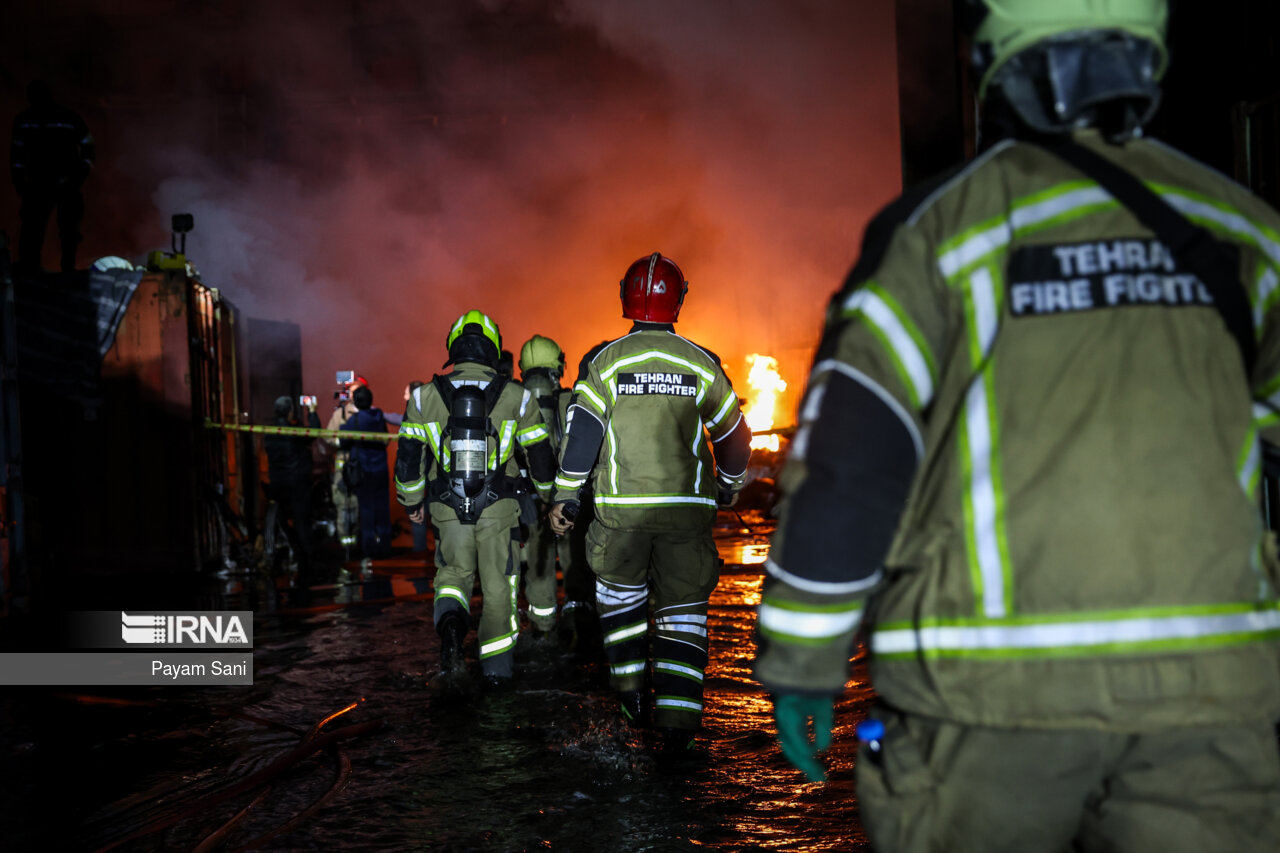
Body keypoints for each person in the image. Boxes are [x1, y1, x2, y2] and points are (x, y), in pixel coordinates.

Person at [753, 2, 1280, 851]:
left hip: (990, 698)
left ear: (993, 66)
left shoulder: (941, 231)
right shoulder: (1242, 228)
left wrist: (802, 659)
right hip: (1212, 690)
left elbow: (853, 458)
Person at [549, 253, 752, 750]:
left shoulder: (606, 362)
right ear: (679, 300)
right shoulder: (701, 363)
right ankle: (678, 733)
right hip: (686, 516)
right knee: (683, 618)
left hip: (621, 517)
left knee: (621, 608)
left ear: (625, 297)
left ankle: (632, 698)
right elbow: (734, 436)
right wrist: (729, 483)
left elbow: (582, 436)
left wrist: (565, 497)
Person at [395, 310, 557, 684]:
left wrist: (412, 503)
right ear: (493, 349)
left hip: (446, 508)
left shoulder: (422, 397)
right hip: (499, 510)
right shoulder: (518, 396)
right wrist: (550, 498)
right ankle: (497, 674)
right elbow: (540, 457)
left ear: (453, 348)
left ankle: (452, 627)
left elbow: (408, 458)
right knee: (499, 588)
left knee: (453, 574)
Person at [516, 334, 596, 644]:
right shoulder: (569, 400)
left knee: (538, 567)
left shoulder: (512, 401)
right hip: (569, 501)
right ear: (557, 368)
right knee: (575, 560)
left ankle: (543, 628)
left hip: (530, 502)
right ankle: (578, 622)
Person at [10, 80, 94, 273]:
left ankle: (38, 269)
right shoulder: (68, 117)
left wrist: (19, 181)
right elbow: (89, 148)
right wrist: (79, 175)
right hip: (52, 184)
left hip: (49, 183)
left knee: (46, 228)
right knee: (53, 229)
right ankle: (55, 269)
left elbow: (17, 155)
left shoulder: (25, 120)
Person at [263, 395, 321, 583]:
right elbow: (314, 433)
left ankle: (289, 553)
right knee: (301, 520)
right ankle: (305, 560)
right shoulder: (294, 431)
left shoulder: (269, 432)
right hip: (298, 483)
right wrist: (312, 412)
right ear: (290, 412)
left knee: (282, 522)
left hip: (278, 483)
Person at [340, 385, 392, 559]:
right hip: (381, 469)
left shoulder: (354, 421)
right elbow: (385, 440)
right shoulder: (379, 416)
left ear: (355, 402)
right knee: (383, 509)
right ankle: (385, 547)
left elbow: (343, 442)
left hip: (363, 471)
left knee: (367, 510)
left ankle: (370, 550)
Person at [326, 375, 366, 554]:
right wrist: (341, 443)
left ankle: (359, 546)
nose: (352, 395)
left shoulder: (369, 413)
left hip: (362, 468)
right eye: (350, 392)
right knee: (342, 505)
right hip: (343, 470)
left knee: (360, 507)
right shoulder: (340, 414)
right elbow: (328, 436)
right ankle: (345, 549)